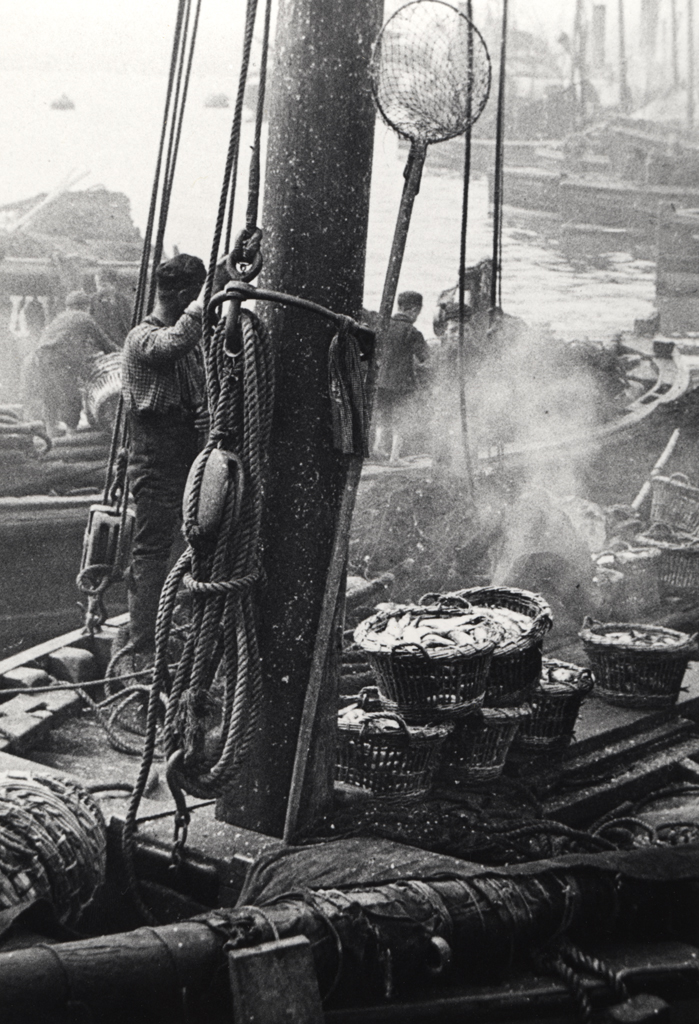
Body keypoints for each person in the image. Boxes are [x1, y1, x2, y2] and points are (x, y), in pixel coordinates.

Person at [121, 253, 210, 659]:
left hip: (187, 454)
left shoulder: (187, 347)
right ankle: (142, 647)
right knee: (152, 551)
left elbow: (200, 389)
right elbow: (169, 346)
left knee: (193, 543)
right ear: (183, 296)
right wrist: (204, 301)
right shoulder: (142, 338)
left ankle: (174, 625)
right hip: (155, 460)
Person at [21, 290, 116, 434]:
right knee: (71, 397)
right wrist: (124, 351)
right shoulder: (84, 317)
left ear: (68, 307)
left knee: (50, 397)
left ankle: (50, 436)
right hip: (59, 360)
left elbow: (62, 341)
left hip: (39, 358)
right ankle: (70, 438)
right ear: (86, 306)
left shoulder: (59, 318)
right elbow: (106, 344)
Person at [372, 290, 429, 464]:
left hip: (381, 381)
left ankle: (377, 449)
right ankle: (394, 458)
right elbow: (425, 358)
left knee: (383, 417)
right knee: (401, 421)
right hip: (402, 384)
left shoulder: (383, 326)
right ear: (414, 310)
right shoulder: (412, 332)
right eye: (418, 312)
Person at [90, 267, 133, 348]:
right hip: (101, 344)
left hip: (120, 342)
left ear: (114, 284)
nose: (100, 289)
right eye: (97, 285)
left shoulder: (123, 301)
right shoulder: (93, 301)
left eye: (103, 285)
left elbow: (128, 324)